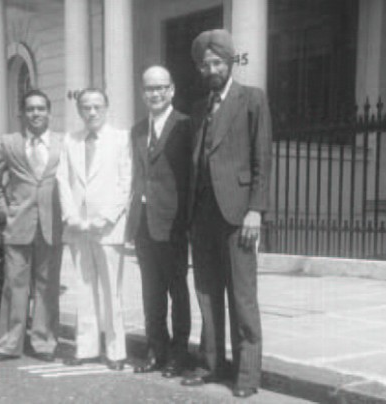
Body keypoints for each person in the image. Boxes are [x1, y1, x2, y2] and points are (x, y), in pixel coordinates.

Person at [180, 29, 272, 398]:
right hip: (202, 215)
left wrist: (256, 211)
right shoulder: (200, 108)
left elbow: (262, 159)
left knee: (242, 296)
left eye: (217, 62)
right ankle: (210, 363)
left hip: (238, 214)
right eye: (206, 64)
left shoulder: (252, 99)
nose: (211, 69)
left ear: (229, 62)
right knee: (207, 292)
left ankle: (247, 376)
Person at [56, 88, 132, 371]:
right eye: (86, 107)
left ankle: (115, 351)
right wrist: (71, 216)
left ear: (107, 107)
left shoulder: (121, 139)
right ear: (79, 111)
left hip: (108, 228)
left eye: (97, 106)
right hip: (78, 227)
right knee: (85, 288)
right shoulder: (70, 140)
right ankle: (86, 348)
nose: (91, 112)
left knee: (112, 291)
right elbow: (62, 180)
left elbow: (127, 182)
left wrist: (106, 217)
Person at [0, 89, 64, 362]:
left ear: (49, 112)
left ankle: (44, 343)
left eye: (41, 108)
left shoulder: (61, 143)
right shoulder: (10, 143)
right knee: (14, 287)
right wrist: (5, 212)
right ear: (22, 114)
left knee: (47, 287)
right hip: (18, 225)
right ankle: (9, 344)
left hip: (51, 225)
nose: (35, 113)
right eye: (30, 109)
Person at [127, 66, 191, 378]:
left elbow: (190, 177)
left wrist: (187, 221)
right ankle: (156, 351)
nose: (155, 93)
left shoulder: (185, 126)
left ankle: (179, 356)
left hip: (173, 222)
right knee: (151, 292)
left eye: (161, 88)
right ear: (143, 93)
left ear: (172, 90)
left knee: (177, 291)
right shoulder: (137, 130)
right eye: (149, 88)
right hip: (143, 224)